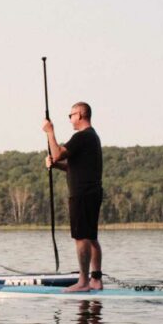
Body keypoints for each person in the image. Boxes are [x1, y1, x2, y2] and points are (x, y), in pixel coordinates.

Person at [42, 101, 103, 292]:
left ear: (80, 115)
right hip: (91, 192)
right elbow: (70, 166)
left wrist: (50, 132)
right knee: (91, 237)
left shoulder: (82, 137)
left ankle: (83, 281)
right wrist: (55, 165)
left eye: (71, 115)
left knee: (81, 237)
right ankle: (96, 279)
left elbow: (58, 153)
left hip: (82, 194)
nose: (70, 119)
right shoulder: (92, 137)